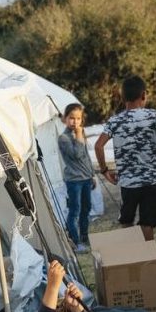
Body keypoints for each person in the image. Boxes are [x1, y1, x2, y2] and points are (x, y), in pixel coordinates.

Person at [94, 75, 156, 241]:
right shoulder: (153, 116)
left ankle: (132, 258)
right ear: (144, 95)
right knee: (147, 222)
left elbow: (98, 146)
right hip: (151, 181)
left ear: (122, 97)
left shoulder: (115, 121)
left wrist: (104, 170)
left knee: (127, 221)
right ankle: (148, 259)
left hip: (128, 183)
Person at [57, 103, 96, 253]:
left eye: (78, 118)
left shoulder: (80, 133)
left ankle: (85, 237)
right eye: (72, 118)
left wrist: (92, 175)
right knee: (75, 210)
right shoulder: (63, 138)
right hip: (74, 181)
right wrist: (79, 135)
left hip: (86, 178)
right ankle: (75, 241)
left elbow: (85, 157)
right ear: (65, 119)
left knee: (86, 209)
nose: (75, 122)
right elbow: (77, 154)